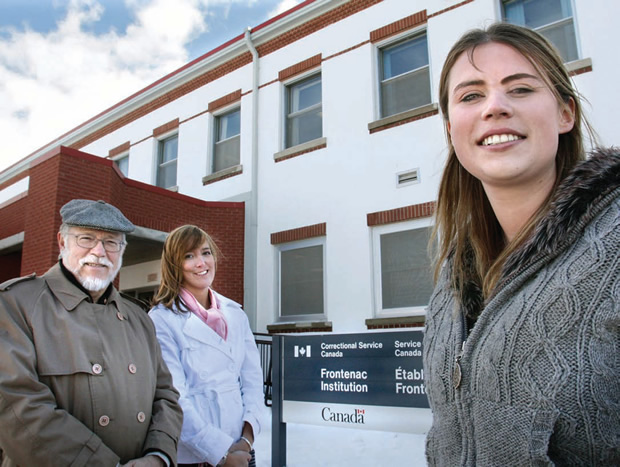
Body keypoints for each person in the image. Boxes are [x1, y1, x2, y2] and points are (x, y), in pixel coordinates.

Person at [423, 23, 619, 466]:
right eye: (471, 95)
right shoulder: (449, 286)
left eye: (521, 88)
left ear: (565, 113)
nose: (495, 107)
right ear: (452, 129)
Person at [0, 199, 183, 467]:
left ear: (122, 251)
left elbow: (166, 395)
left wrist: (159, 456)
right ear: (62, 243)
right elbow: (15, 404)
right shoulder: (15, 304)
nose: (99, 252)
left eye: (111, 242)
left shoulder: (138, 318)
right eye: (86, 238)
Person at [149, 225, 264, 467]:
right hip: (196, 456)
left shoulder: (235, 313)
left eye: (205, 252)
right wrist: (221, 454)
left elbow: (253, 381)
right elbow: (174, 398)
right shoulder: (161, 319)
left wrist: (247, 439)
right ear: (174, 265)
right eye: (188, 256)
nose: (201, 263)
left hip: (242, 451)